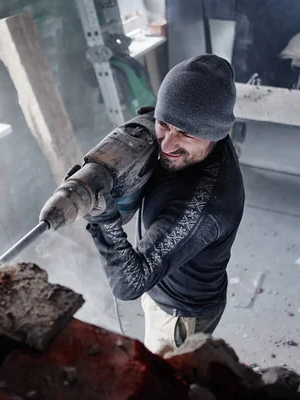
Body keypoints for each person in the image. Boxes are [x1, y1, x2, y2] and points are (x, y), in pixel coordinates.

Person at [85, 54, 245, 354]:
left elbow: (128, 285)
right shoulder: (200, 144)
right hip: (165, 289)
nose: (168, 144)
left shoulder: (205, 207)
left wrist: (104, 219)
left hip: (180, 319)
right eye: (164, 123)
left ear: (215, 133)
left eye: (185, 133)